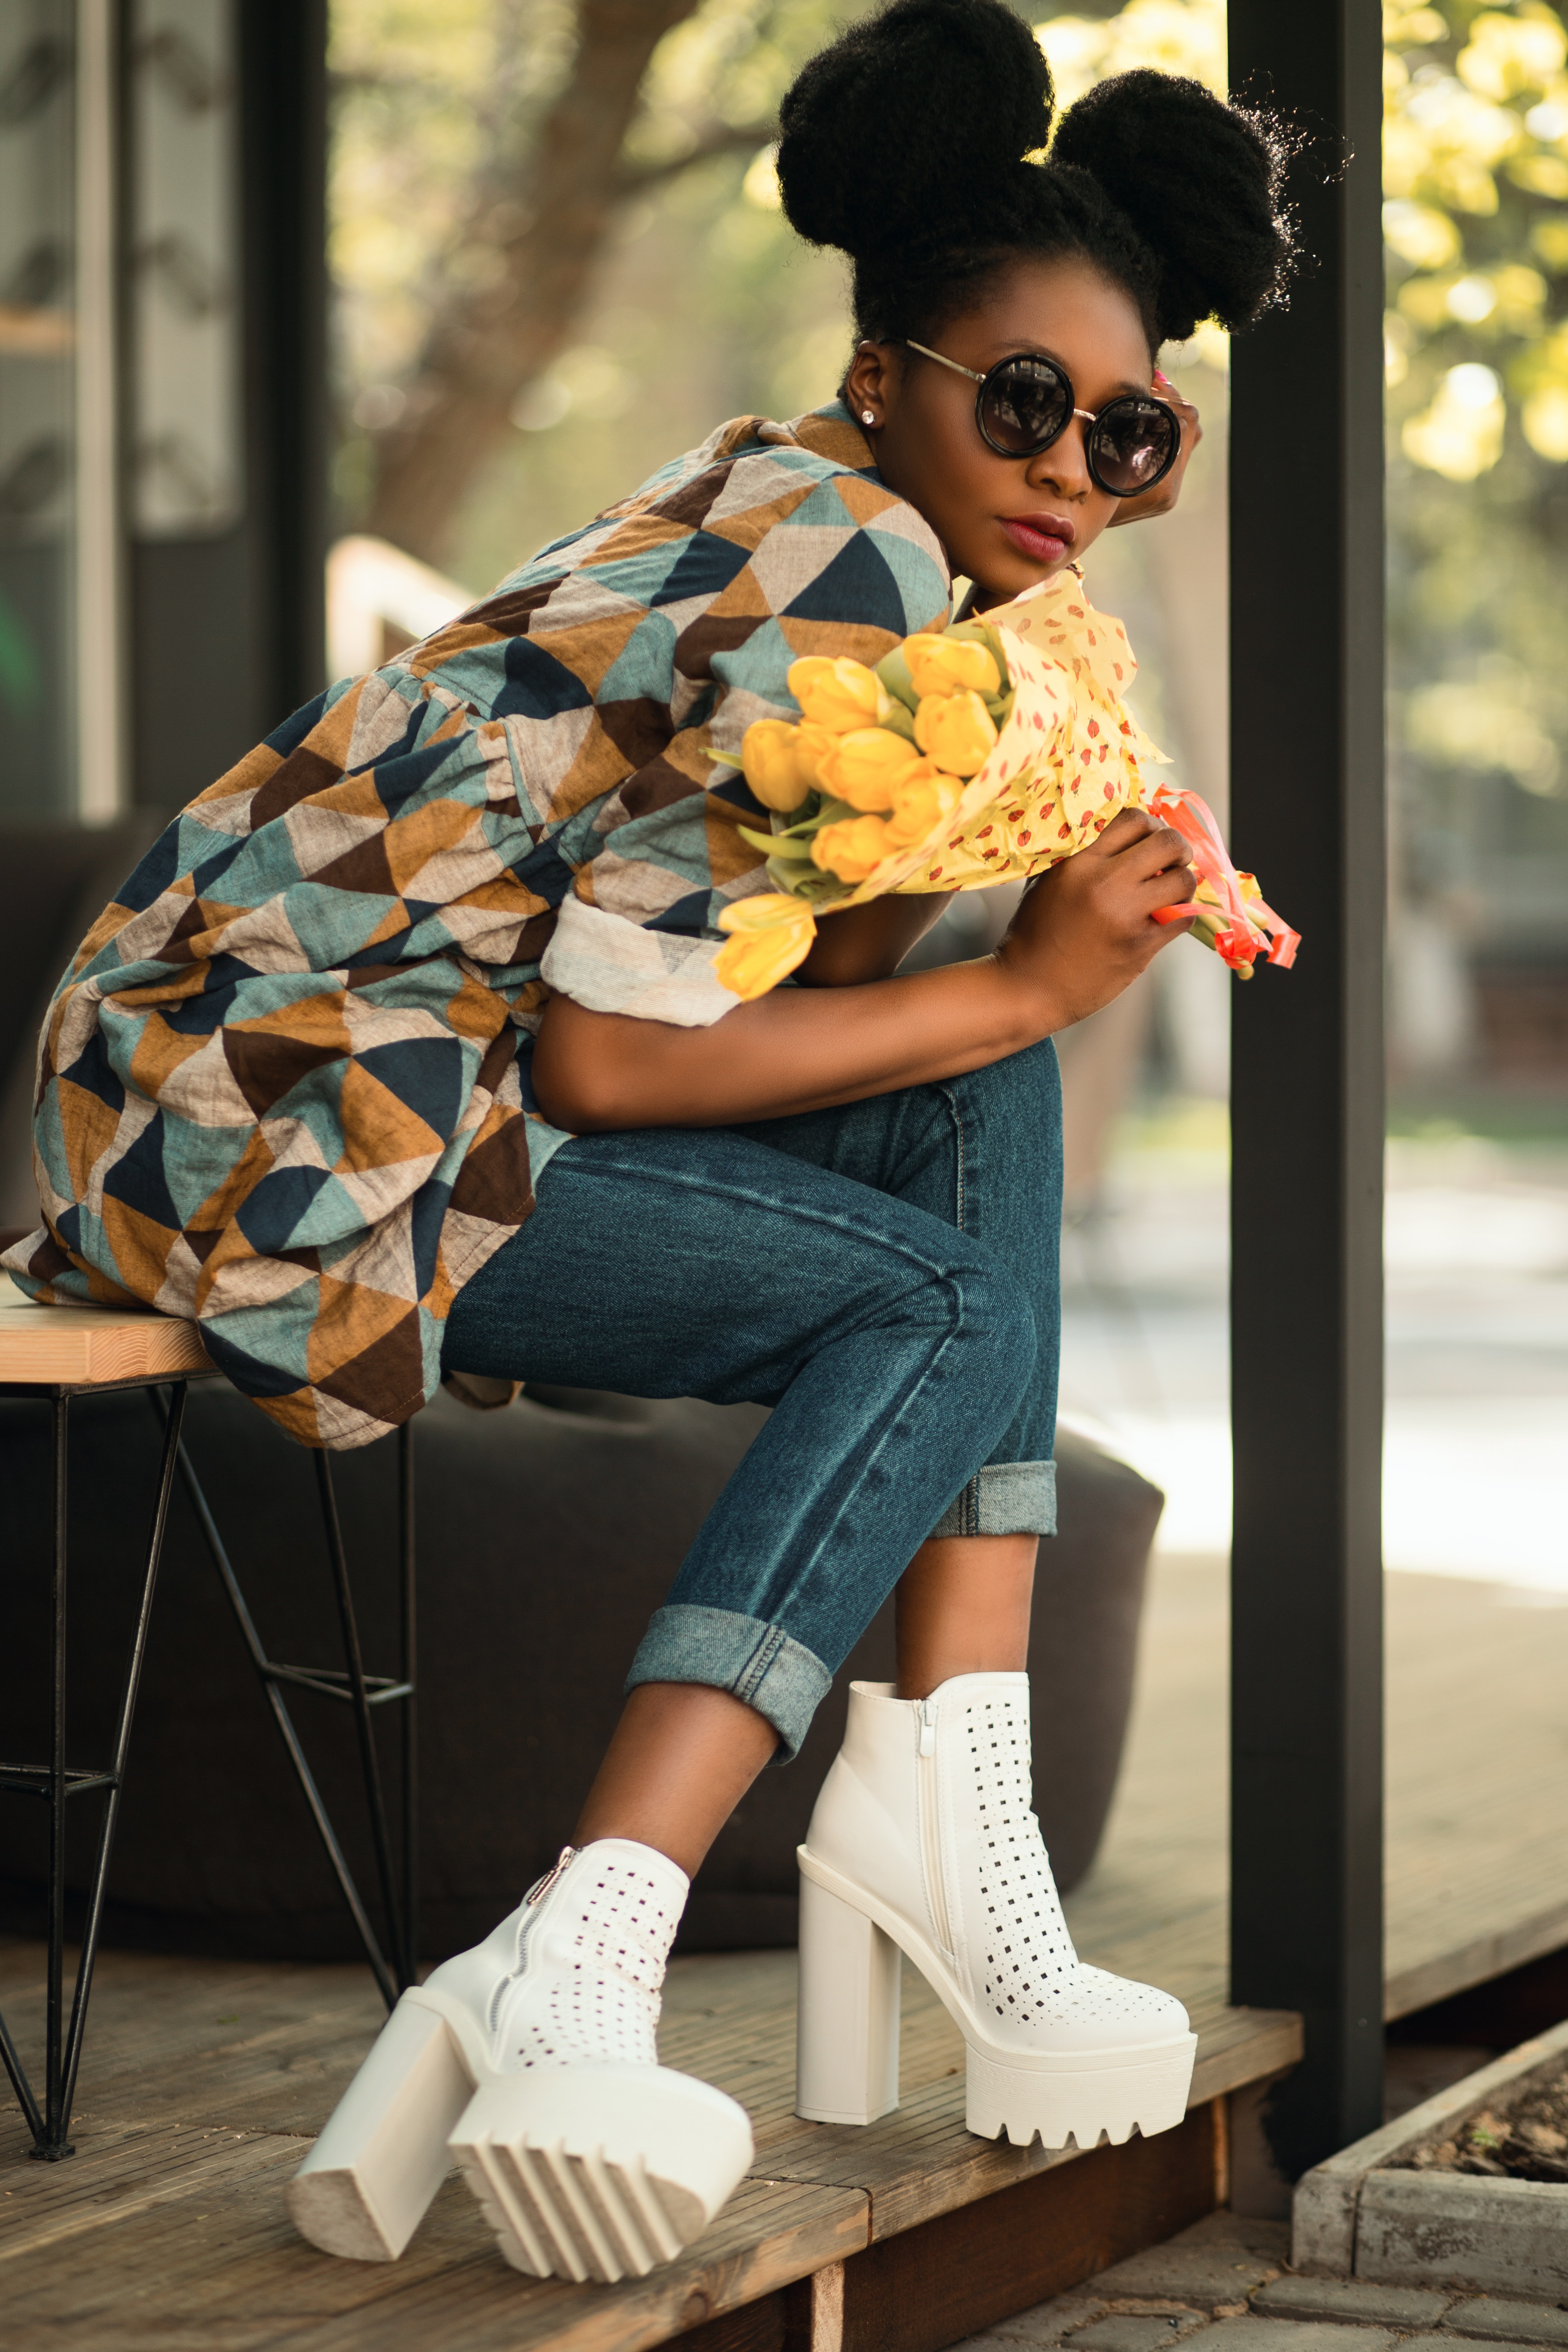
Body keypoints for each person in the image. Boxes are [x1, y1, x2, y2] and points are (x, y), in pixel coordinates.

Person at [5, 0, 1298, 2289]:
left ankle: (944, 1820)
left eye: (1131, 432)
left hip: (231, 1074)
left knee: (970, 1098)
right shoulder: (851, 578)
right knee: (932, 1287)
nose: (1073, 469)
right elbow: (608, 1073)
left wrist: (1000, 894)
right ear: (886, 360)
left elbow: (785, 994)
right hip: (297, 1130)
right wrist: (1032, 974)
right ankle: (604, 1927)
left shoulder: (811, 505)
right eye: (1021, 399)